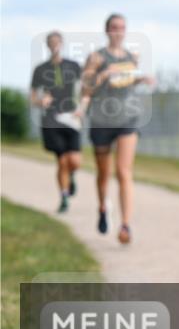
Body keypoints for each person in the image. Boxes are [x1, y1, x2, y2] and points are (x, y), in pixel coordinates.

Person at [77, 13, 156, 244]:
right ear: (106, 30)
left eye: (122, 27)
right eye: (114, 27)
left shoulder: (132, 58)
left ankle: (125, 225)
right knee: (104, 173)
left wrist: (141, 80)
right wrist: (103, 74)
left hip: (128, 119)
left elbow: (126, 81)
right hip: (102, 120)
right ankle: (103, 207)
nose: (118, 31)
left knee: (123, 172)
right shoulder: (96, 57)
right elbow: (86, 90)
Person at [30, 31, 82, 213]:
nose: (54, 45)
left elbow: (85, 87)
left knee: (74, 160)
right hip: (51, 118)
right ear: (47, 45)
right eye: (51, 42)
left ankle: (72, 176)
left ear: (62, 43)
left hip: (71, 117)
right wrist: (40, 101)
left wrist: (81, 106)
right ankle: (64, 197)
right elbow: (33, 96)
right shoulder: (41, 69)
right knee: (61, 161)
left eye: (57, 41)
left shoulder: (73, 66)